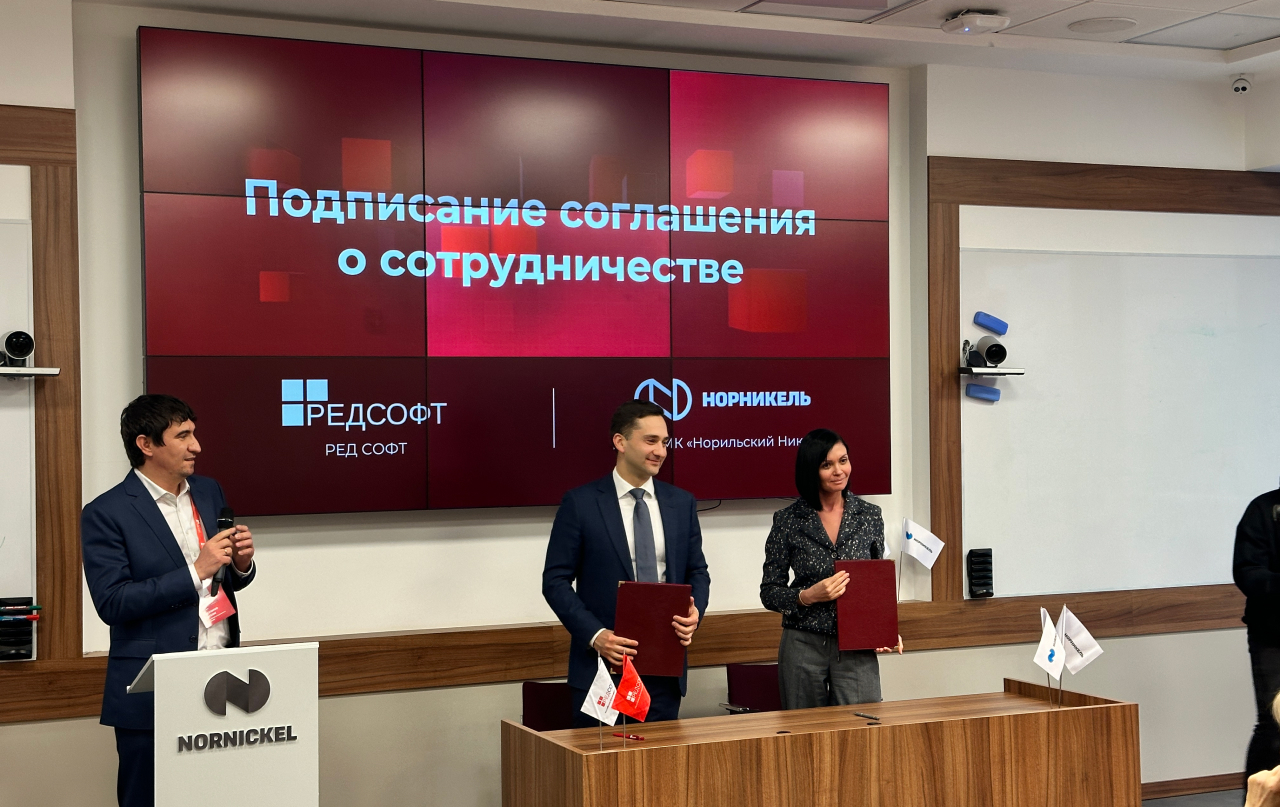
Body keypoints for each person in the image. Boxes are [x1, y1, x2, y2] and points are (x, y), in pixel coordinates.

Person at [81, 394, 256, 807]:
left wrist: (241, 565)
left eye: (194, 433)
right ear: (146, 444)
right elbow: (113, 602)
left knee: (218, 796)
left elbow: (221, 581)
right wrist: (196, 570)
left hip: (221, 678)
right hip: (154, 687)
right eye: (183, 436)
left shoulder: (209, 491)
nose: (197, 446)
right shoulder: (106, 512)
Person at [542, 400, 711, 726]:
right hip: (601, 671)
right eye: (651, 441)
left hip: (663, 672)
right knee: (602, 760)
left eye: (665, 442)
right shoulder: (581, 503)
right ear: (620, 442)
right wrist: (596, 635)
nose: (661, 451)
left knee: (658, 759)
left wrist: (695, 612)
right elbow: (555, 581)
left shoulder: (681, 503)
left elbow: (697, 571)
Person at [760, 428, 902, 710]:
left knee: (863, 727)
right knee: (804, 731)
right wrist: (806, 596)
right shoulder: (788, 520)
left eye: (843, 460)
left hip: (857, 646)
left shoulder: (870, 516)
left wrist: (883, 629)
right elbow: (769, 592)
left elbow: (876, 584)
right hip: (803, 643)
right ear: (811, 470)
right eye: (827, 464)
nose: (839, 471)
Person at [1235, 486, 1280, 785]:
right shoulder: (1264, 509)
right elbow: (1247, 572)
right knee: (1274, 725)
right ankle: (1257, 801)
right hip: (1273, 636)